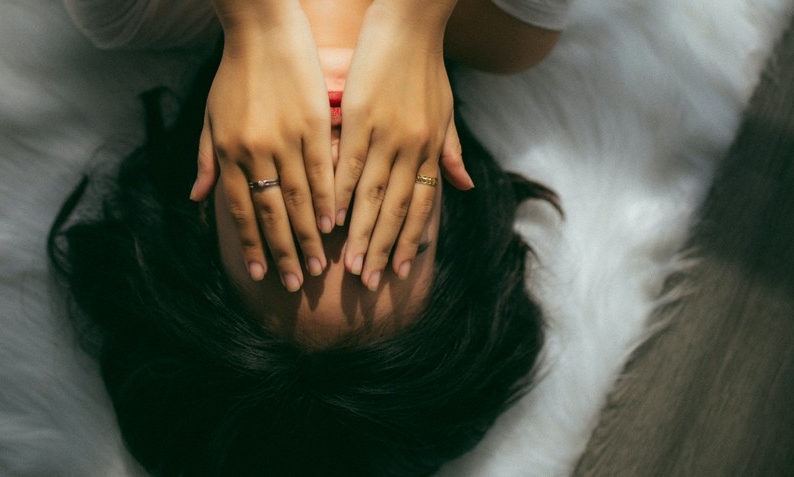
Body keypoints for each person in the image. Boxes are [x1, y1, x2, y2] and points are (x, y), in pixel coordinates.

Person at [50, 0, 565, 475]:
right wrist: (415, 20)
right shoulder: (517, 28)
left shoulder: (126, 8)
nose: (334, 179)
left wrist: (256, 19)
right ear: (447, 203)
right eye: (380, 227)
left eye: (288, 238)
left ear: (204, 203)